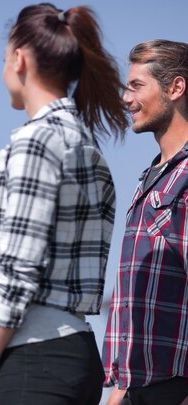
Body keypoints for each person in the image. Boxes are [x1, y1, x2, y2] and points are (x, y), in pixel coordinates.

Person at [0, 4, 128, 405]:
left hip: (37, 358)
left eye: (4, 58)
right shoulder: (84, 143)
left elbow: (18, 272)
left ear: (19, 59)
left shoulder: (36, 143)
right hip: (72, 354)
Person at [102, 40, 188, 405]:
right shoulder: (152, 177)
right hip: (138, 389)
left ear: (175, 88)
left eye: (137, 86)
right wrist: (120, 388)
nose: (126, 98)